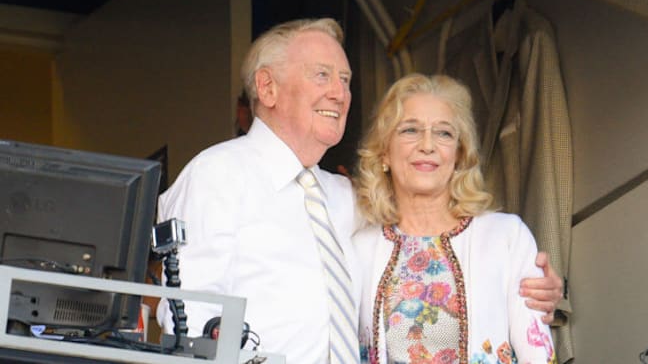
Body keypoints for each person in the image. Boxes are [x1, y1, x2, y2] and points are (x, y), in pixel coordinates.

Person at [156, 18, 561, 363]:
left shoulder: (343, 197)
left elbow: (419, 219)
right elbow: (188, 316)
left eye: (345, 79)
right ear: (267, 87)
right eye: (322, 75)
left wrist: (538, 285)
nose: (340, 92)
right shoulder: (217, 176)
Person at [353, 73, 557, 363]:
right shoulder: (359, 247)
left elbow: (537, 354)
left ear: (460, 154)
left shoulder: (507, 237)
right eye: (410, 130)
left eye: (444, 133)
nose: (427, 145)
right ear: (384, 151)